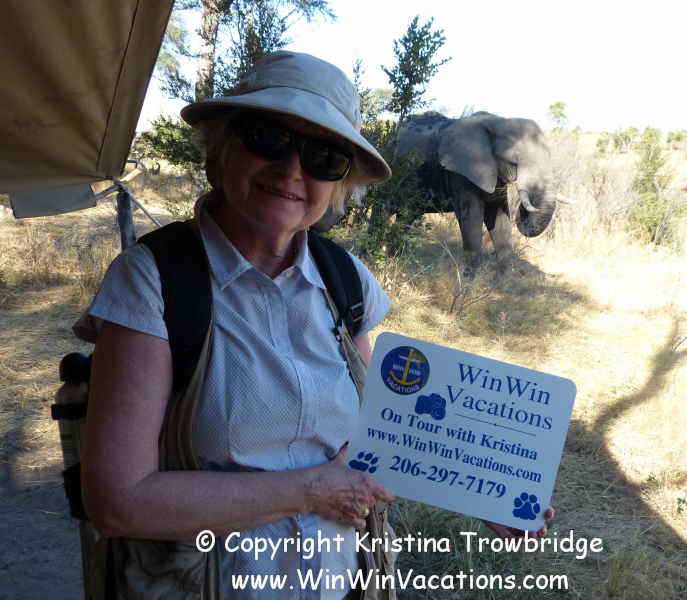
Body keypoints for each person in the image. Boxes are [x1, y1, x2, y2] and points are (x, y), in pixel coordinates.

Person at [74, 50, 552, 600]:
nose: (291, 170)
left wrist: (486, 488)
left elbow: (383, 434)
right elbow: (117, 502)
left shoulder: (345, 279)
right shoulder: (154, 281)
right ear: (224, 146)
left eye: (324, 156)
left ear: (342, 183)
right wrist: (312, 491)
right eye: (267, 138)